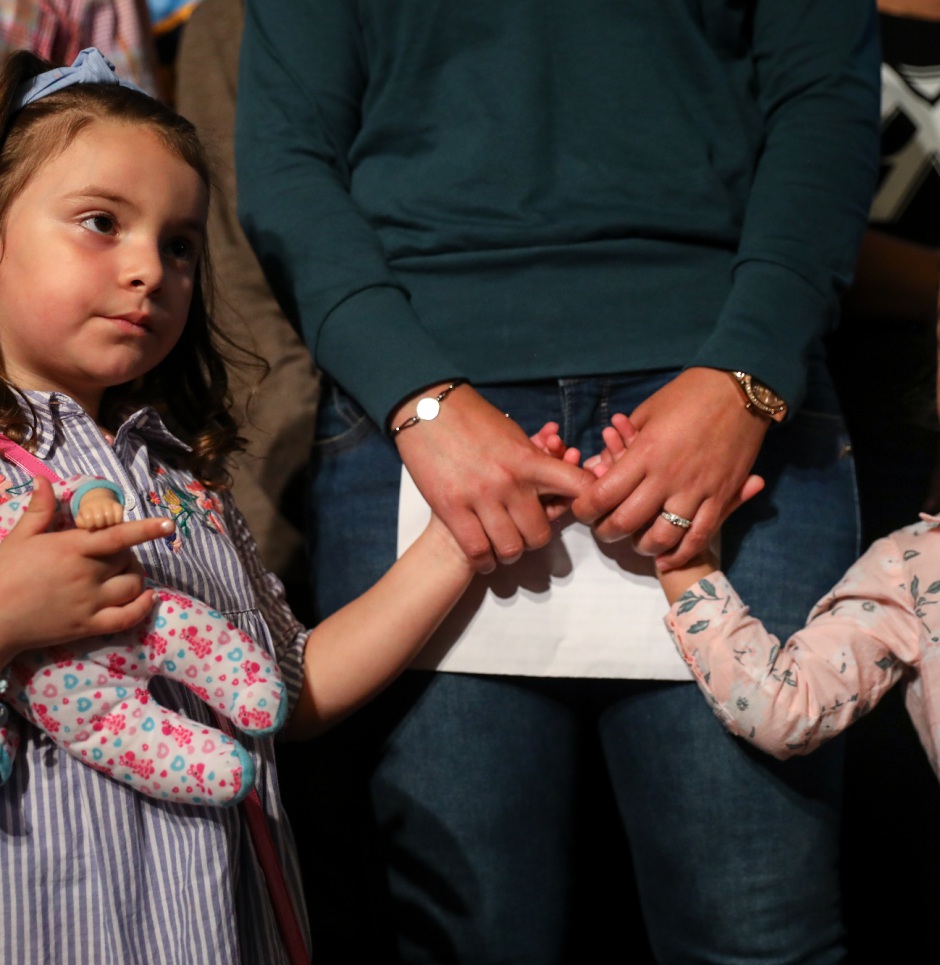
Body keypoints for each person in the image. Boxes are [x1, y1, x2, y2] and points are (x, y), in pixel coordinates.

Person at [236, 3, 881, 960]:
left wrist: (747, 374)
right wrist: (415, 394)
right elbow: (287, 153)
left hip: (725, 397)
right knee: (463, 935)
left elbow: (823, 93)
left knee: (755, 936)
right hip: (427, 417)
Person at [0, 46, 562, 962]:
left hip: (213, 928)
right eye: (102, 222)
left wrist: (461, 540)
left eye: (179, 245)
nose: (150, 269)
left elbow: (287, 687)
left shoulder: (187, 484)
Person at [0, 470, 285, 805]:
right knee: (120, 733)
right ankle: (203, 768)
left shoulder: (183, 468)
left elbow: (69, 495)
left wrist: (92, 499)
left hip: (141, 621)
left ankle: (245, 683)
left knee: (182, 627)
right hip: (79, 701)